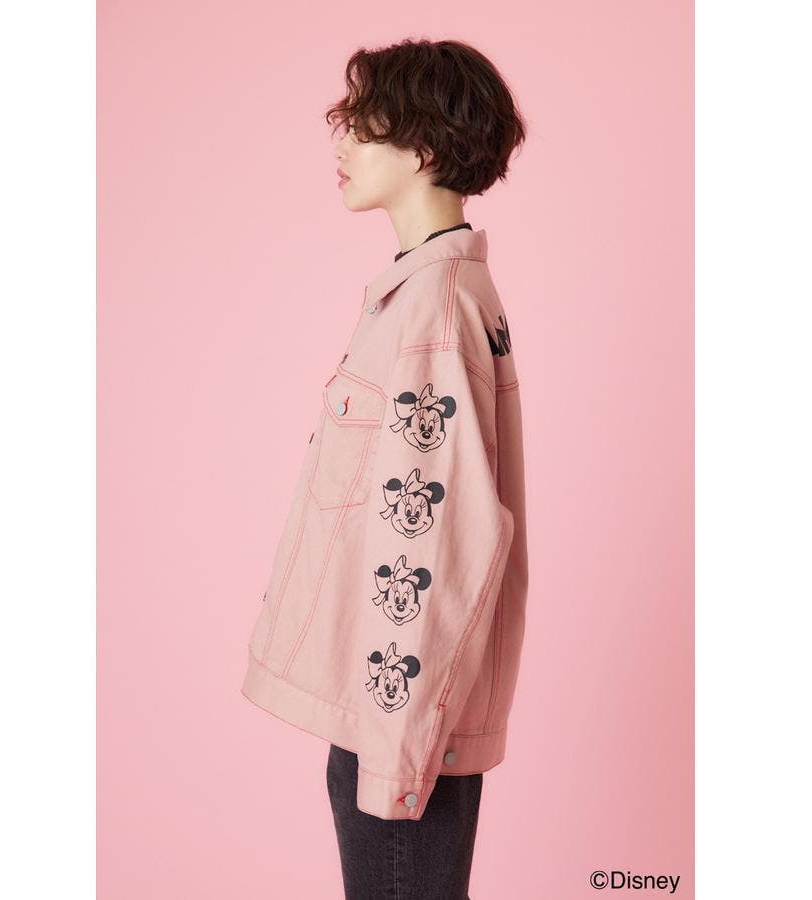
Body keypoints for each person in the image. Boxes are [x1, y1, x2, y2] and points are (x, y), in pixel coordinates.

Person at [240, 37, 529, 899]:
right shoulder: (433, 292)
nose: (342, 144)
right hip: (394, 712)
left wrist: (397, 756)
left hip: (397, 724)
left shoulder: (433, 310)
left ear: (424, 148)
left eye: (363, 127)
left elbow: (433, 545)